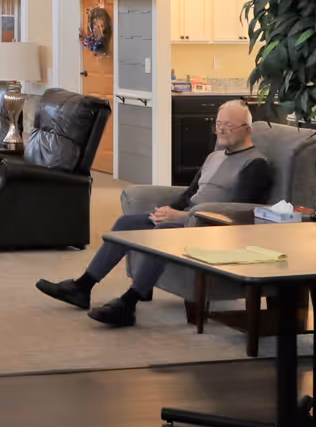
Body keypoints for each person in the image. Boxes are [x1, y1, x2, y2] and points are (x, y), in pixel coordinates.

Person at [36, 99, 271, 327]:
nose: (221, 130)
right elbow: (190, 193)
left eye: (229, 125)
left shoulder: (256, 164)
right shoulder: (214, 156)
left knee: (163, 233)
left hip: (211, 229)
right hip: (186, 220)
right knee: (127, 223)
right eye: (218, 124)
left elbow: (237, 211)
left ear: (248, 129)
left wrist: (183, 217)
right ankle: (82, 287)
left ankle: (128, 304)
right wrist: (168, 210)